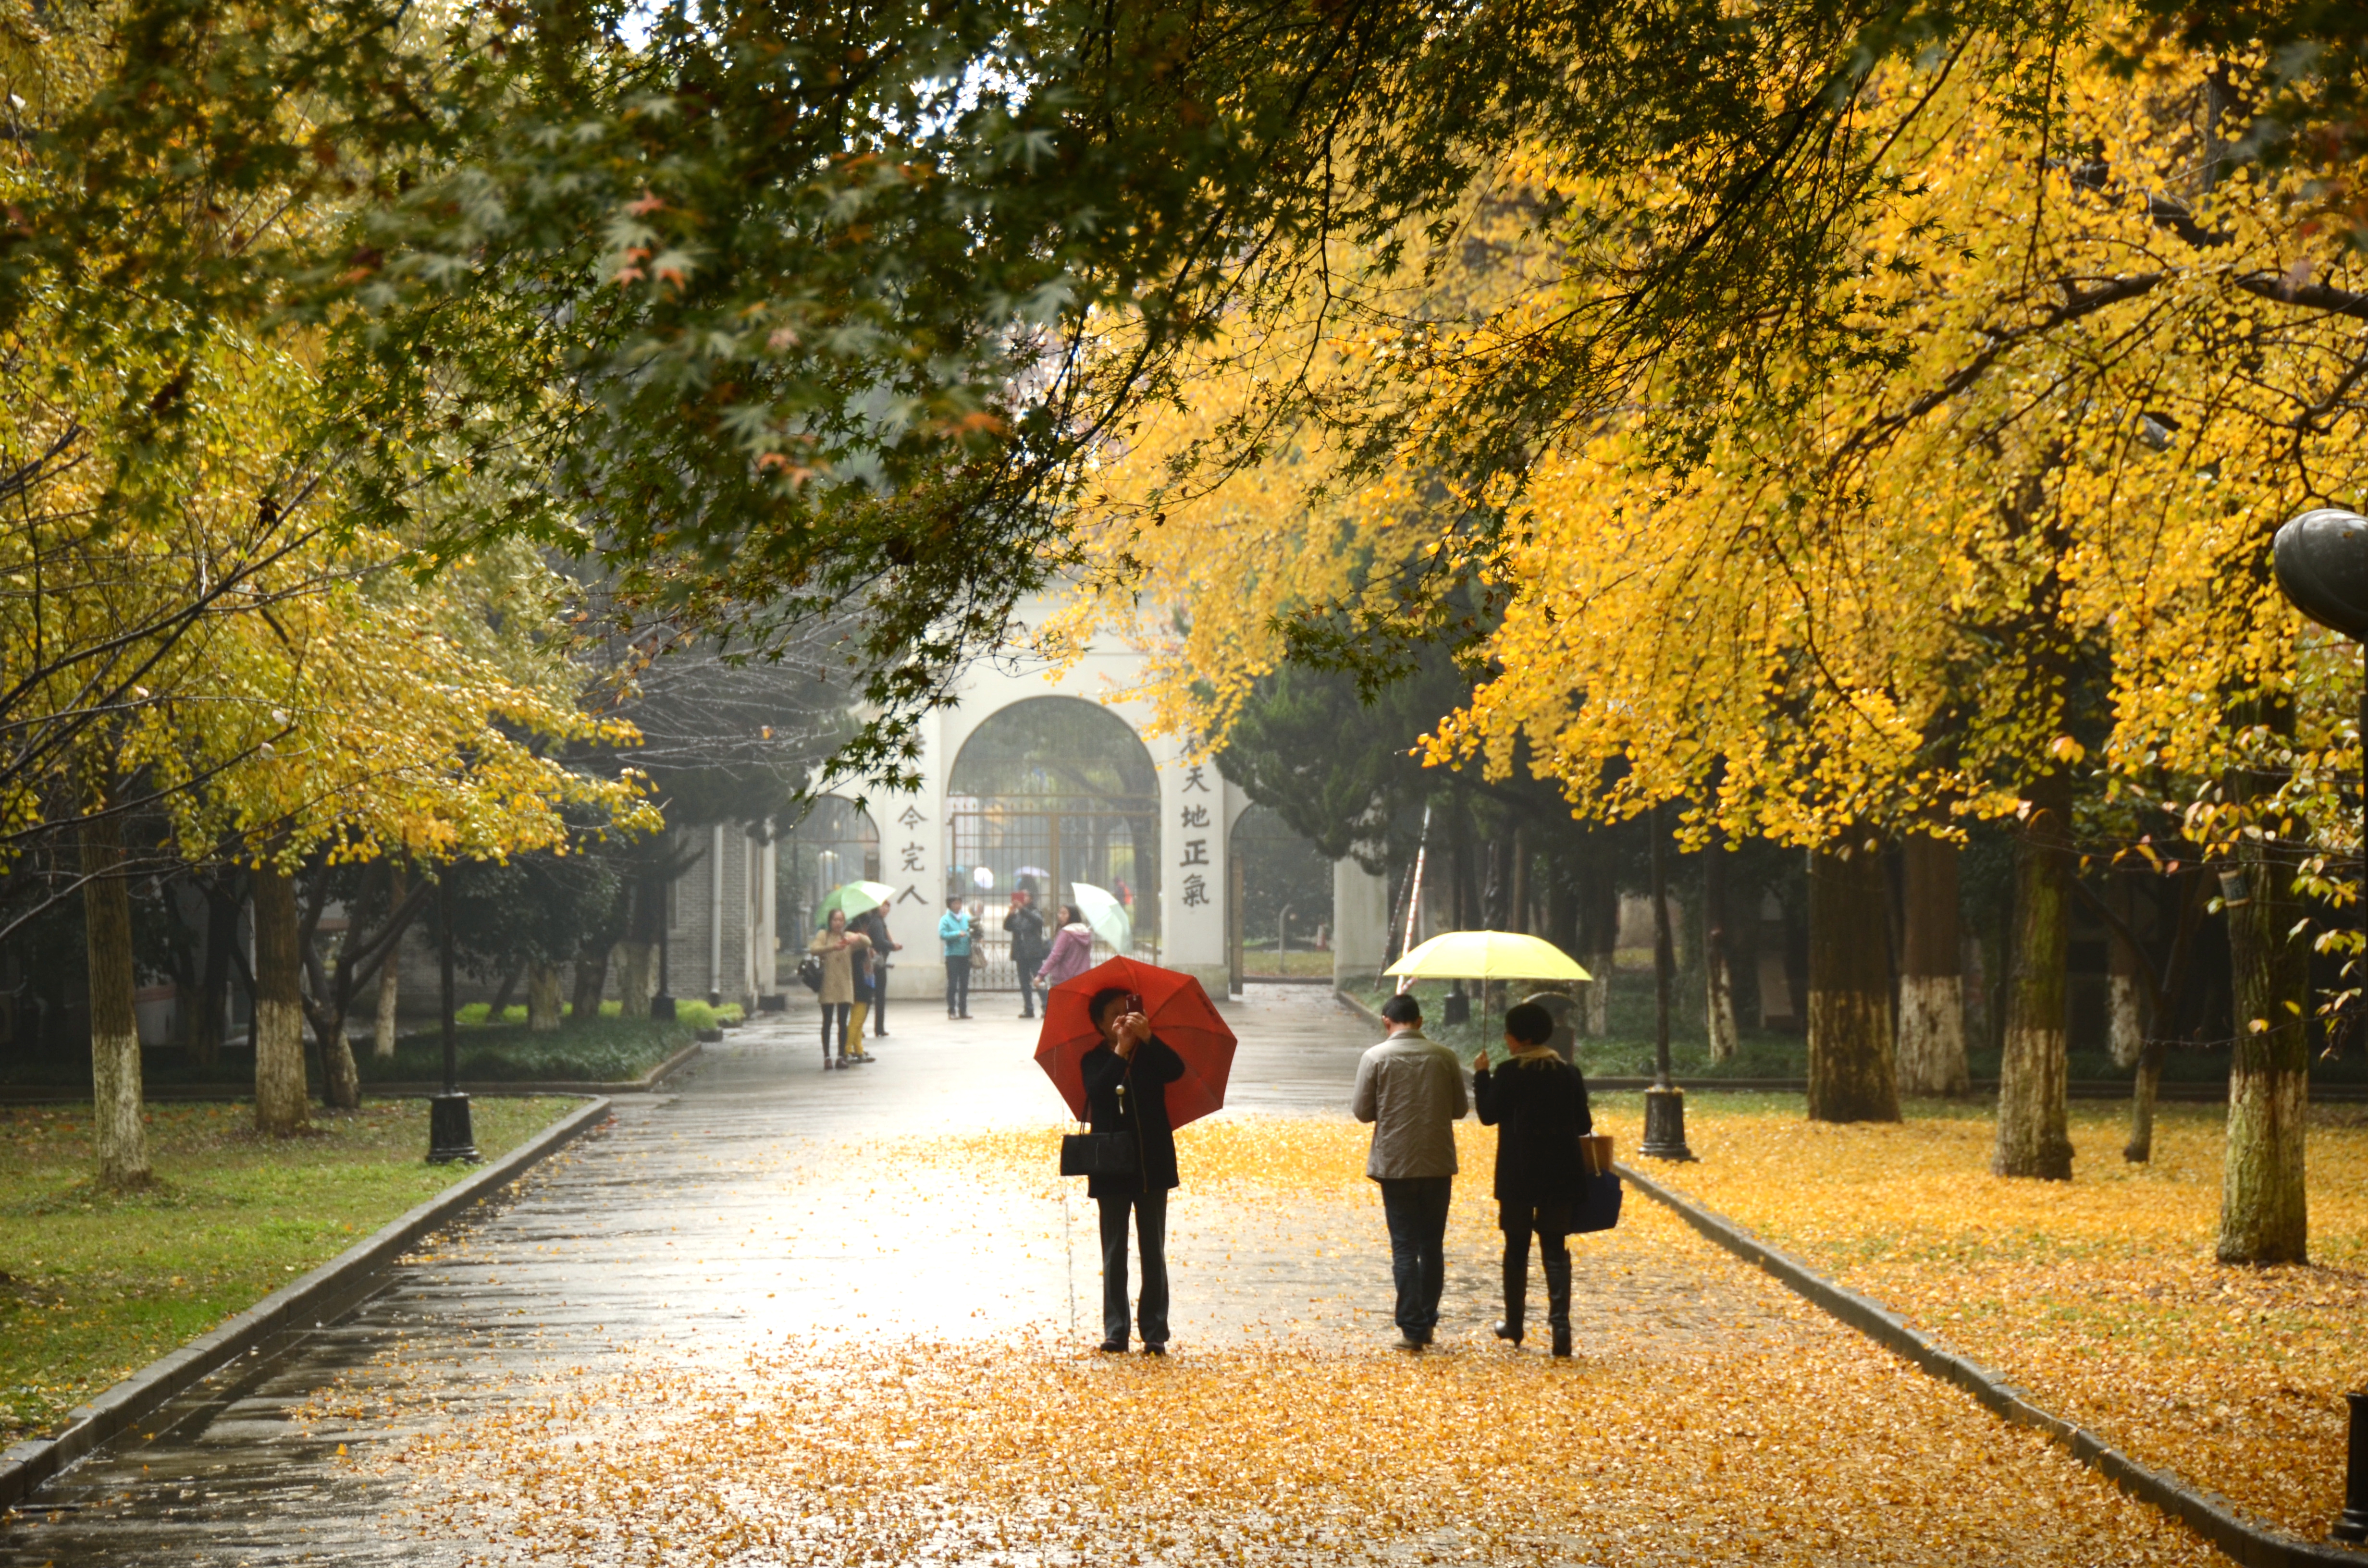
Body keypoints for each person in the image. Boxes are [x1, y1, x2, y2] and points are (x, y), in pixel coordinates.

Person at [1472, 1000, 1593, 1358]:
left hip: (1518, 1175)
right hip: (1562, 1175)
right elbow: (1584, 1125)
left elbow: (1488, 1115)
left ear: (1519, 1037)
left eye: (1508, 1033)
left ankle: (1515, 1324)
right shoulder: (1568, 1073)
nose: (1506, 1040)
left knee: (1517, 1249)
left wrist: (1481, 1075)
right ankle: (1561, 1329)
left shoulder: (1509, 1073)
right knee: (1555, 1250)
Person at [1351, 992, 1468, 1350]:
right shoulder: (1445, 1057)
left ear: (1387, 1021)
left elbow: (1363, 1111)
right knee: (1432, 1245)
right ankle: (1428, 1318)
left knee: (1404, 1246)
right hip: (1436, 1163)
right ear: (1419, 1021)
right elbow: (1461, 1109)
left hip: (1395, 1165)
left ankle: (1412, 1327)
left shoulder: (1375, 1058)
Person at [1079, 986, 1184, 1355]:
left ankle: (1155, 1331)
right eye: (1114, 1015)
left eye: (1129, 1012)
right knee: (1114, 1250)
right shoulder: (1094, 1059)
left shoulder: (1151, 1053)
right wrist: (1121, 1051)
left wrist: (1147, 1038)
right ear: (1100, 1024)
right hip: (1110, 1167)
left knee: (1153, 1249)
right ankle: (1116, 1329)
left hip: (1153, 1163)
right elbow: (1099, 1091)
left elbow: (1176, 1070)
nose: (1123, 1020)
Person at [807, 909, 872, 1070]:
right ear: (830, 921)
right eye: (835, 920)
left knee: (843, 1022)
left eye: (841, 920)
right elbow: (814, 949)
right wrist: (832, 947)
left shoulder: (848, 936)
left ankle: (841, 1056)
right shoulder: (824, 935)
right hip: (828, 984)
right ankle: (827, 1057)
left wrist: (857, 937)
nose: (838, 923)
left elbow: (868, 943)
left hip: (844, 985)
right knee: (827, 1022)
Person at [851, 904, 899, 1039]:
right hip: (876, 964)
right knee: (875, 996)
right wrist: (892, 945)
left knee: (870, 996)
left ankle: (870, 1027)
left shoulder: (876, 921)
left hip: (872, 963)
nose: (885, 909)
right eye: (882, 906)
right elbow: (879, 942)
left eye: (887, 906)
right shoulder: (877, 922)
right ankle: (877, 1028)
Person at [1004, 888, 1048, 1019]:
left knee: (1039, 980)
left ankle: (1047, 1007)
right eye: (1021, 896)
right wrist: (1011, 914)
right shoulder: (1017, 914)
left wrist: (1022, 909)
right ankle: (1028, 1009)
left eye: (1026, 896)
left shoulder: (1035, 911)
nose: (1023, 898)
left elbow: (1038, 921)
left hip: (1034, 952)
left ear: (1031, 898)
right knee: (1024, 982)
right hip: (1020, 952)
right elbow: (1007, 927)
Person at [1038, 904, 1095, 991]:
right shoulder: (1085, 933)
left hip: (1065, 980)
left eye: (1064, 914)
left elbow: (1055, 955)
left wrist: (1041, 975)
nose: (1060, 916)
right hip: (1083, 979)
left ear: (1072, 916)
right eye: (1060, 913)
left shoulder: (1066, 933)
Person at [938, 895, 974, 1018]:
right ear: (950, 905)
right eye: (955, 904)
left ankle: (963, 1010)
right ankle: (952, 1010)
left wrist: (976, 934)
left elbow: (973, 930)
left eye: (959, 903)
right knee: (953, 984)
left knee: (964, 984)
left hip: (965, 954)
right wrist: (957, 934)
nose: (958, 906)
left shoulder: (966, 918)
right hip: (953, 955)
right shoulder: (945, 920)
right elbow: (943, 934)